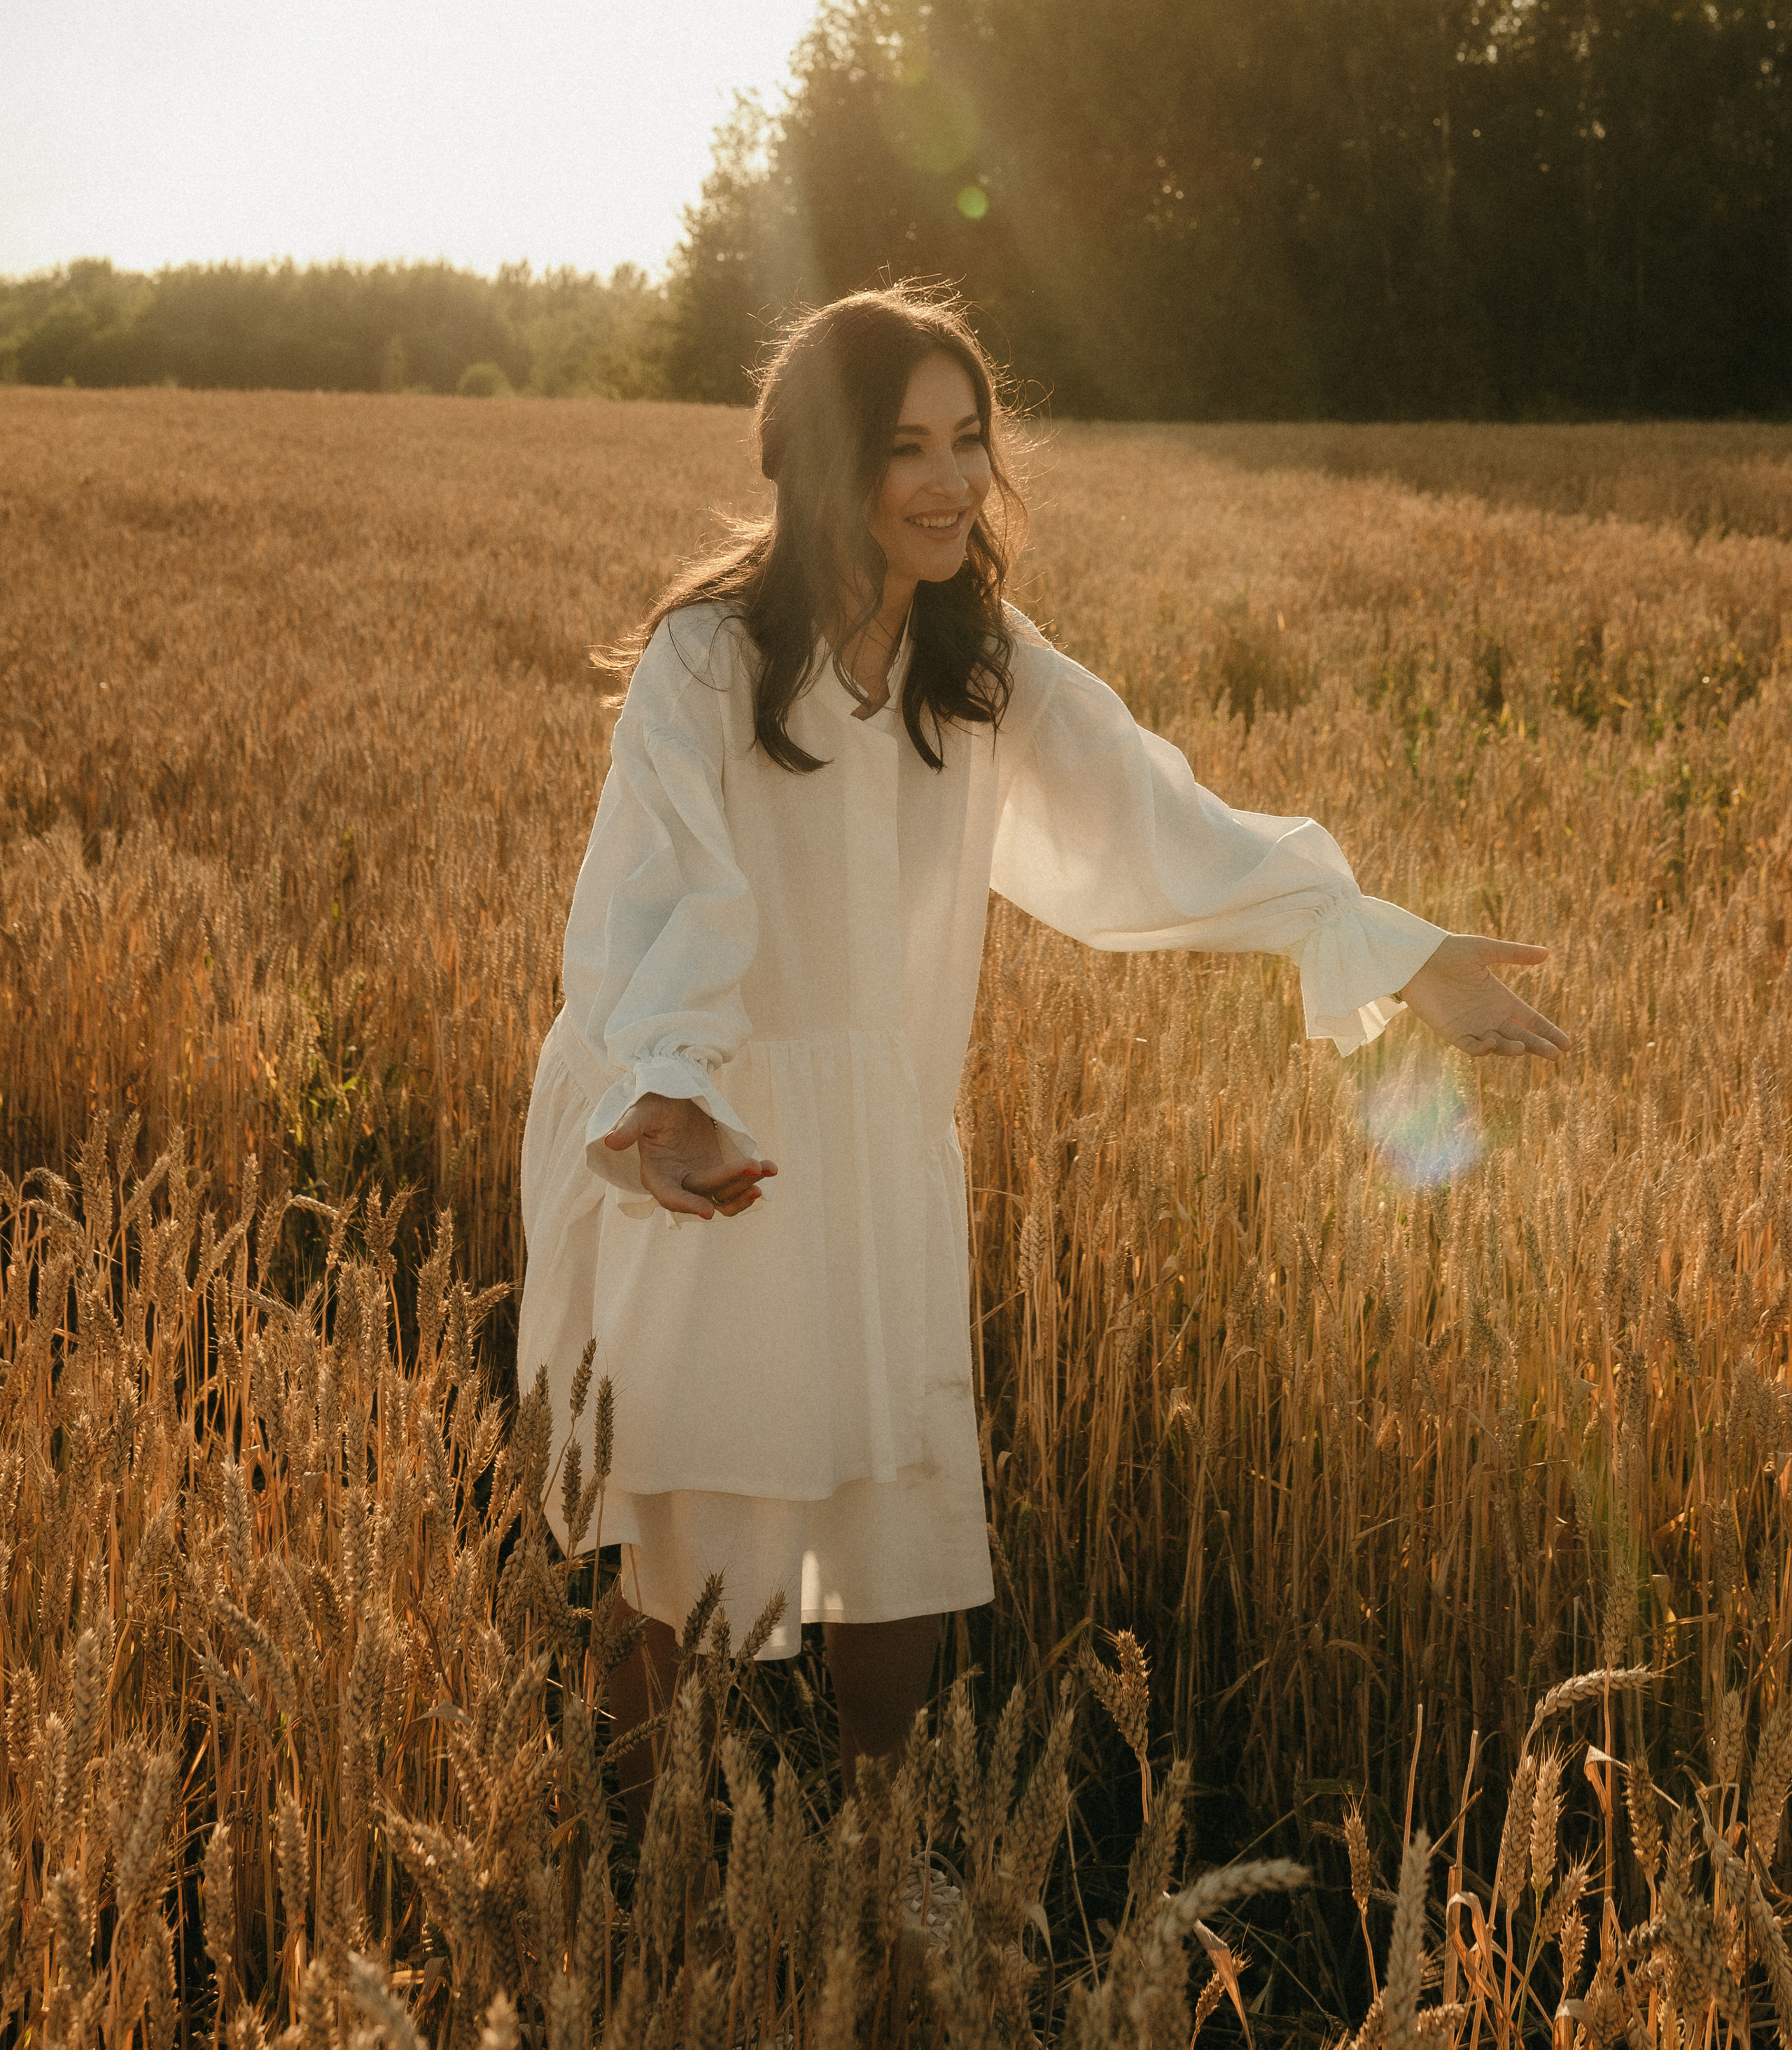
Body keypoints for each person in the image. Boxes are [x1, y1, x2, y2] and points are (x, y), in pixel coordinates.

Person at [515, 285, 1569, 1809]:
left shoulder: (978, 657)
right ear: (827, 464)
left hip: (878, 1148)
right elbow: (663, 891)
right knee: (675, 1538)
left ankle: (884, 1863)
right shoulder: (708, 660)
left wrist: (1391, 954)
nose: (950, 481)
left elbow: (1159, 820)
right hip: (705, 1133)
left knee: (901, 1526)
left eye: (968, 440)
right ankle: (624, 1865)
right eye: (905, 447)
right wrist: (668, 1090)